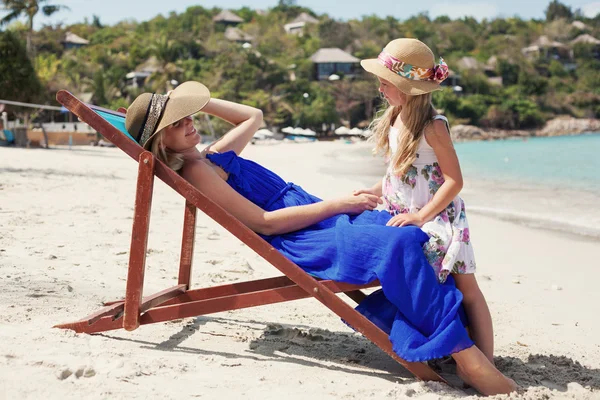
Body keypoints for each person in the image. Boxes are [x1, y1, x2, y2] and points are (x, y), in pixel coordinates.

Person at [123, 81, 517, 395]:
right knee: (397, 243)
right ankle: (463, 353)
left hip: (317, 216)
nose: (187, 123)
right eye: (175, 124)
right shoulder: (196, 173)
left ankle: (444, 339)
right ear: (160, 142)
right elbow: (265, 223)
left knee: (413, 234)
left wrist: (194, 101)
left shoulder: (210, 155)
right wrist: (338, 204)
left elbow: (253, 116)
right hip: (304, 235)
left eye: (186, 116)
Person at [358, 38, 495, 364]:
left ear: (407, 88)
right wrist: (372, 192)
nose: (380, 88)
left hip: (439, 218)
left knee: (469, 290)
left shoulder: (433, 126)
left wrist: (421, 217)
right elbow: (397, 174)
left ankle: (486, 360)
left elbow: (454, 181)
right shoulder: (396, 116)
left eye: (385, 82)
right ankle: (440, 345)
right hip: (406, 212)